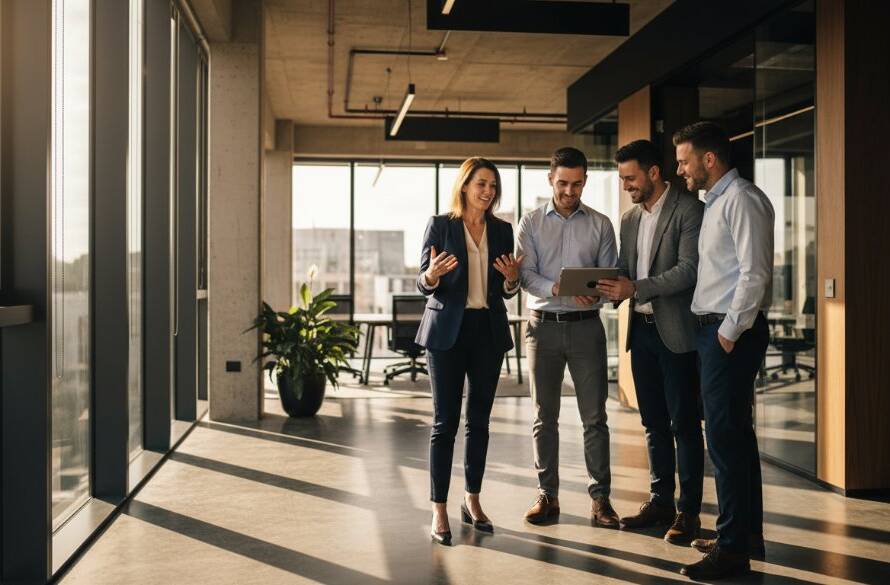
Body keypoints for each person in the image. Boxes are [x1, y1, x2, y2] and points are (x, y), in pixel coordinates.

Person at [672, 122, 774, 580]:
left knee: (725, 442)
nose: (680, 169)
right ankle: (745, 534)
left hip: (727, 336)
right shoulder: (715, 204)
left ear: (708, 159)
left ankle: (732, 550)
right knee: (736, 437)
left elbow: (754, 274)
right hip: (713, 333)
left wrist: (728, 333)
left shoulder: (742, 200)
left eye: (683, 160)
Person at [597, 139, 705, 544]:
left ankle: (689, 512)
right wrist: (605, 286)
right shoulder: (628, 220)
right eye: (622, 178)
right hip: (639, 333)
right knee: (653, 424)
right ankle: (660, 501)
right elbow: (626, 270)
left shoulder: (690, 209)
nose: (626, 185)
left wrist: (635, 286)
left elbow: (689, 270)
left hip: (675, 333)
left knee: (685, 425)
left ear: (654, 172)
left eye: (631, 177)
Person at [415, 157, 523, 546]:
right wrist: (432, 276)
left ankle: (472, 499)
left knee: (479, 421)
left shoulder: (502, 229)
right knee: (445, 423)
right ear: (464, 186)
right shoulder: (441, 225)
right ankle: (438, 509)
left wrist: (512, 282)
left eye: (493, 185)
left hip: (487, 331)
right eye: (481, 184)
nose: (488, 192)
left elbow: (506, 289)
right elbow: (422, 281)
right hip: (446, 331)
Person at [516, 146, 620, 528]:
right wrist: (557, 286)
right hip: (541, 329)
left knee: (594, 417)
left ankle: (601, 500)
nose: (569, 191)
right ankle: (548, 495)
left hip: (586, 328)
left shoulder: (601, 224)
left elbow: (611, 275)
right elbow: (525, 276)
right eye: (563, 183)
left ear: (585, 181)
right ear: (550, 179)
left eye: (577, 184)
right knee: (545, 416)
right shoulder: (529, 223)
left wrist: (596, 291)